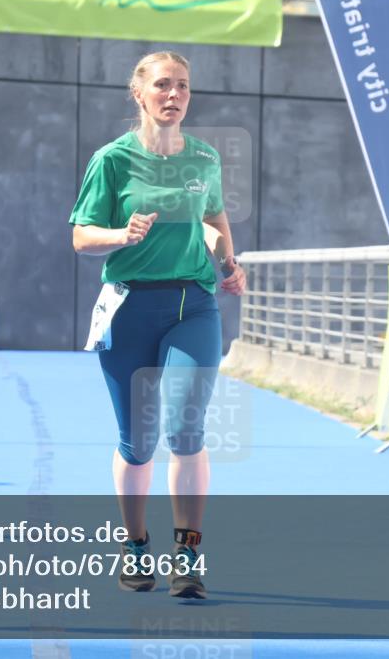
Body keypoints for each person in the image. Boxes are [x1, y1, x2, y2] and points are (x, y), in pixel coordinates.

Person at [69, 51, 246, 599]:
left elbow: (213, 218)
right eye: (163, 86)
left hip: (193, 303)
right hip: (129, 307)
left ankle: (188, 554)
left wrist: (227, 260)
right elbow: (80, 235)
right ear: (139, 94)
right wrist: (122, 234)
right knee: (138, 442)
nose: (174, 96)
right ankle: (135, 546)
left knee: (186, 429)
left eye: (184, 87)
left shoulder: (204, 159)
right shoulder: (113, 160)